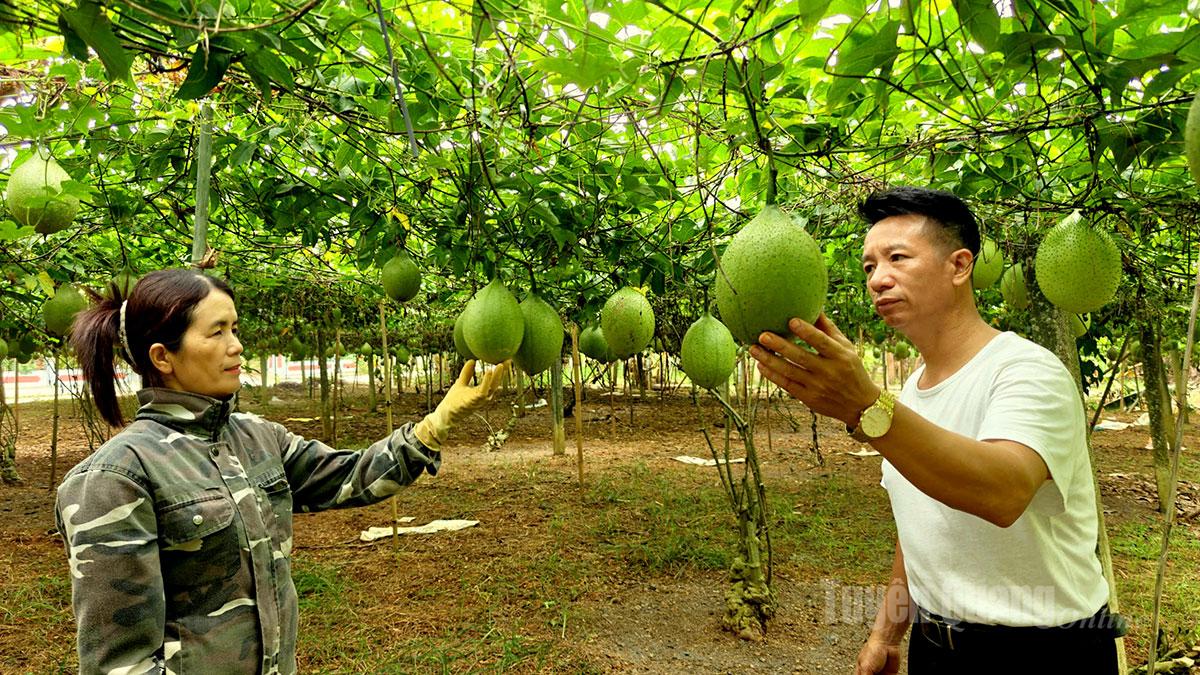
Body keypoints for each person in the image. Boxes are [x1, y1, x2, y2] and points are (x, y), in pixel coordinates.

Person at [55, 268, 509, 674]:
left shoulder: (257, 439)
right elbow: (120, 663)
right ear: (162, 357)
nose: (237, 345)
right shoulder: (114, 479)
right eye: (216, 332)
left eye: (234, 327)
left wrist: (438, 423)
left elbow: (349, 478)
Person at [747, 187, 1119, 674]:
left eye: (897, 257)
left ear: (960, 266)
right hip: (936, 645)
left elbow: (1002, 493)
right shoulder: (909, 395)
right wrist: (887, 630)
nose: (879, 279)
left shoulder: (1026, 370)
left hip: (1043, 651)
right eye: (868, 267)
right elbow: (923, 521)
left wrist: (865, 407)